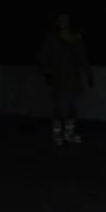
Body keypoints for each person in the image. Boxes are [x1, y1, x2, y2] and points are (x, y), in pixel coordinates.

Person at [40, 12, 93, 145]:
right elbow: (44, 57)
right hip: (59, 78)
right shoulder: (53, 39)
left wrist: (88, 73)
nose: (64, 22)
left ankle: (69, 132)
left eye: (66, 19)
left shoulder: (75, 39)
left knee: (73, 107)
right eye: (61, 19)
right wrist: (47, 73)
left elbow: (82, 57)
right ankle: (57, 133)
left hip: (74, 78)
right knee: (59, 107)